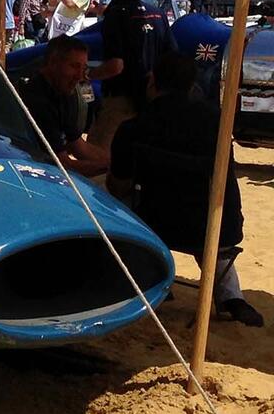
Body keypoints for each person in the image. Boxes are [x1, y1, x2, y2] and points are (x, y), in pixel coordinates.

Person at [108, 53, 262, 327]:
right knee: (205, 213)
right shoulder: (218, 123)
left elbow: (118, 185)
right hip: (219, 226)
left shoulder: (134, 127)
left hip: (158, 224)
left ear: (152, 82)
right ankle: (230, 297)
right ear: (193, 85)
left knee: (110, 199)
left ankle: (145, 279)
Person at [87, 0, 177, 150]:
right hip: (154, 100)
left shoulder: (115, 15)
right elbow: (172, 57)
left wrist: (86, 75)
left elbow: (116, 65)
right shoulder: (158, 14)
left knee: (97, 152)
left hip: (121, 99)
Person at [16, 35, 109, 176]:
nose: (80, 76)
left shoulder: (63, 92)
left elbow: (77, 145)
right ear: (53, 63)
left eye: (83, 68)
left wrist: (115, 163)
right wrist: (112, 169)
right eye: (74, 66)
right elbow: (63, 165)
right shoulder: (37, 100)